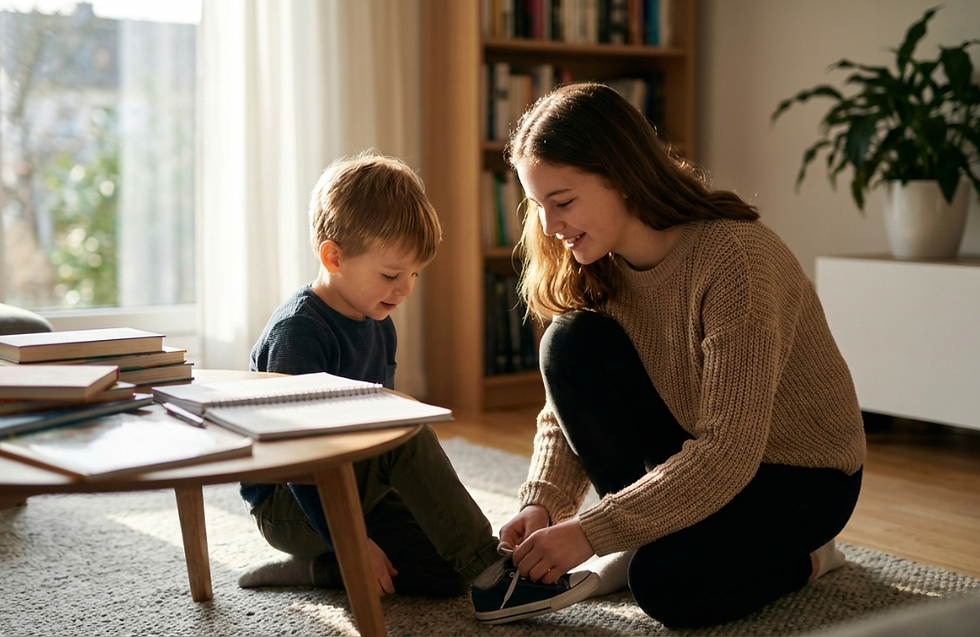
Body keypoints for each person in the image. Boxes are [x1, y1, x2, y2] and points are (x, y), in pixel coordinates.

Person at [498, 83, 866, 628]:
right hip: (701, 446)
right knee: (568, 341)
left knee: (665, 587)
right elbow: (566, 404)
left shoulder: (735, 260)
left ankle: (811, 558)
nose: (550, 226)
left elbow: (729, 451)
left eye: (563, 201)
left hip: (802, 473)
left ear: (621, 175)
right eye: (537, 205)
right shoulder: (597, 260)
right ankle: (649, 531)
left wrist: (592, 531)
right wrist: (545, 503)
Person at [237, 151, 598, 621]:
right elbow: (300, 459)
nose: (404, 289)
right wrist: (347, 538)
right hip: (293, 500)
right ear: (333, 256)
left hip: (353, 486)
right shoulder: (299, 334)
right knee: (405, 428)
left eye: (413, 275)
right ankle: (493, 572)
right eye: (391, 274)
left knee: (447, 569)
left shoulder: (377, 320)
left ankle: (317, 569)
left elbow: (371, 449)